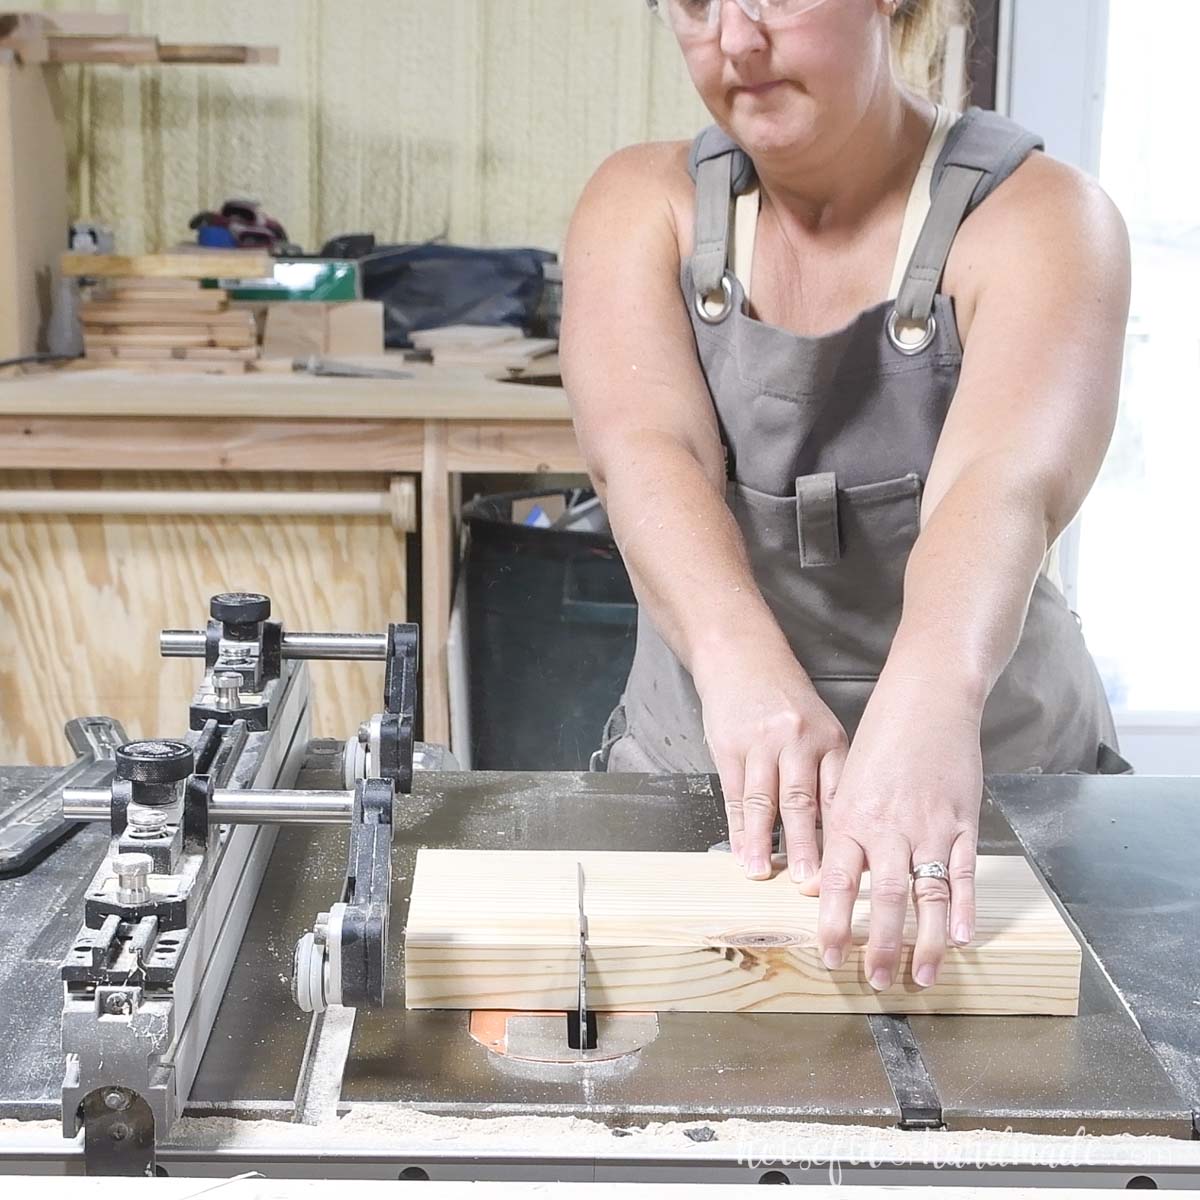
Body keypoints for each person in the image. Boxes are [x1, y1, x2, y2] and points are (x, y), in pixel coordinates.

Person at [560, 0, 1130, 992]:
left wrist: (928, 702)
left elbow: (1003, 483)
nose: (736, 41)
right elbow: (646, 451)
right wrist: (741, 664)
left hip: (1000, 785)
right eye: (696, 4)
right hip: (705, 782)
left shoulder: (1043, 219)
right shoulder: (637, 205)